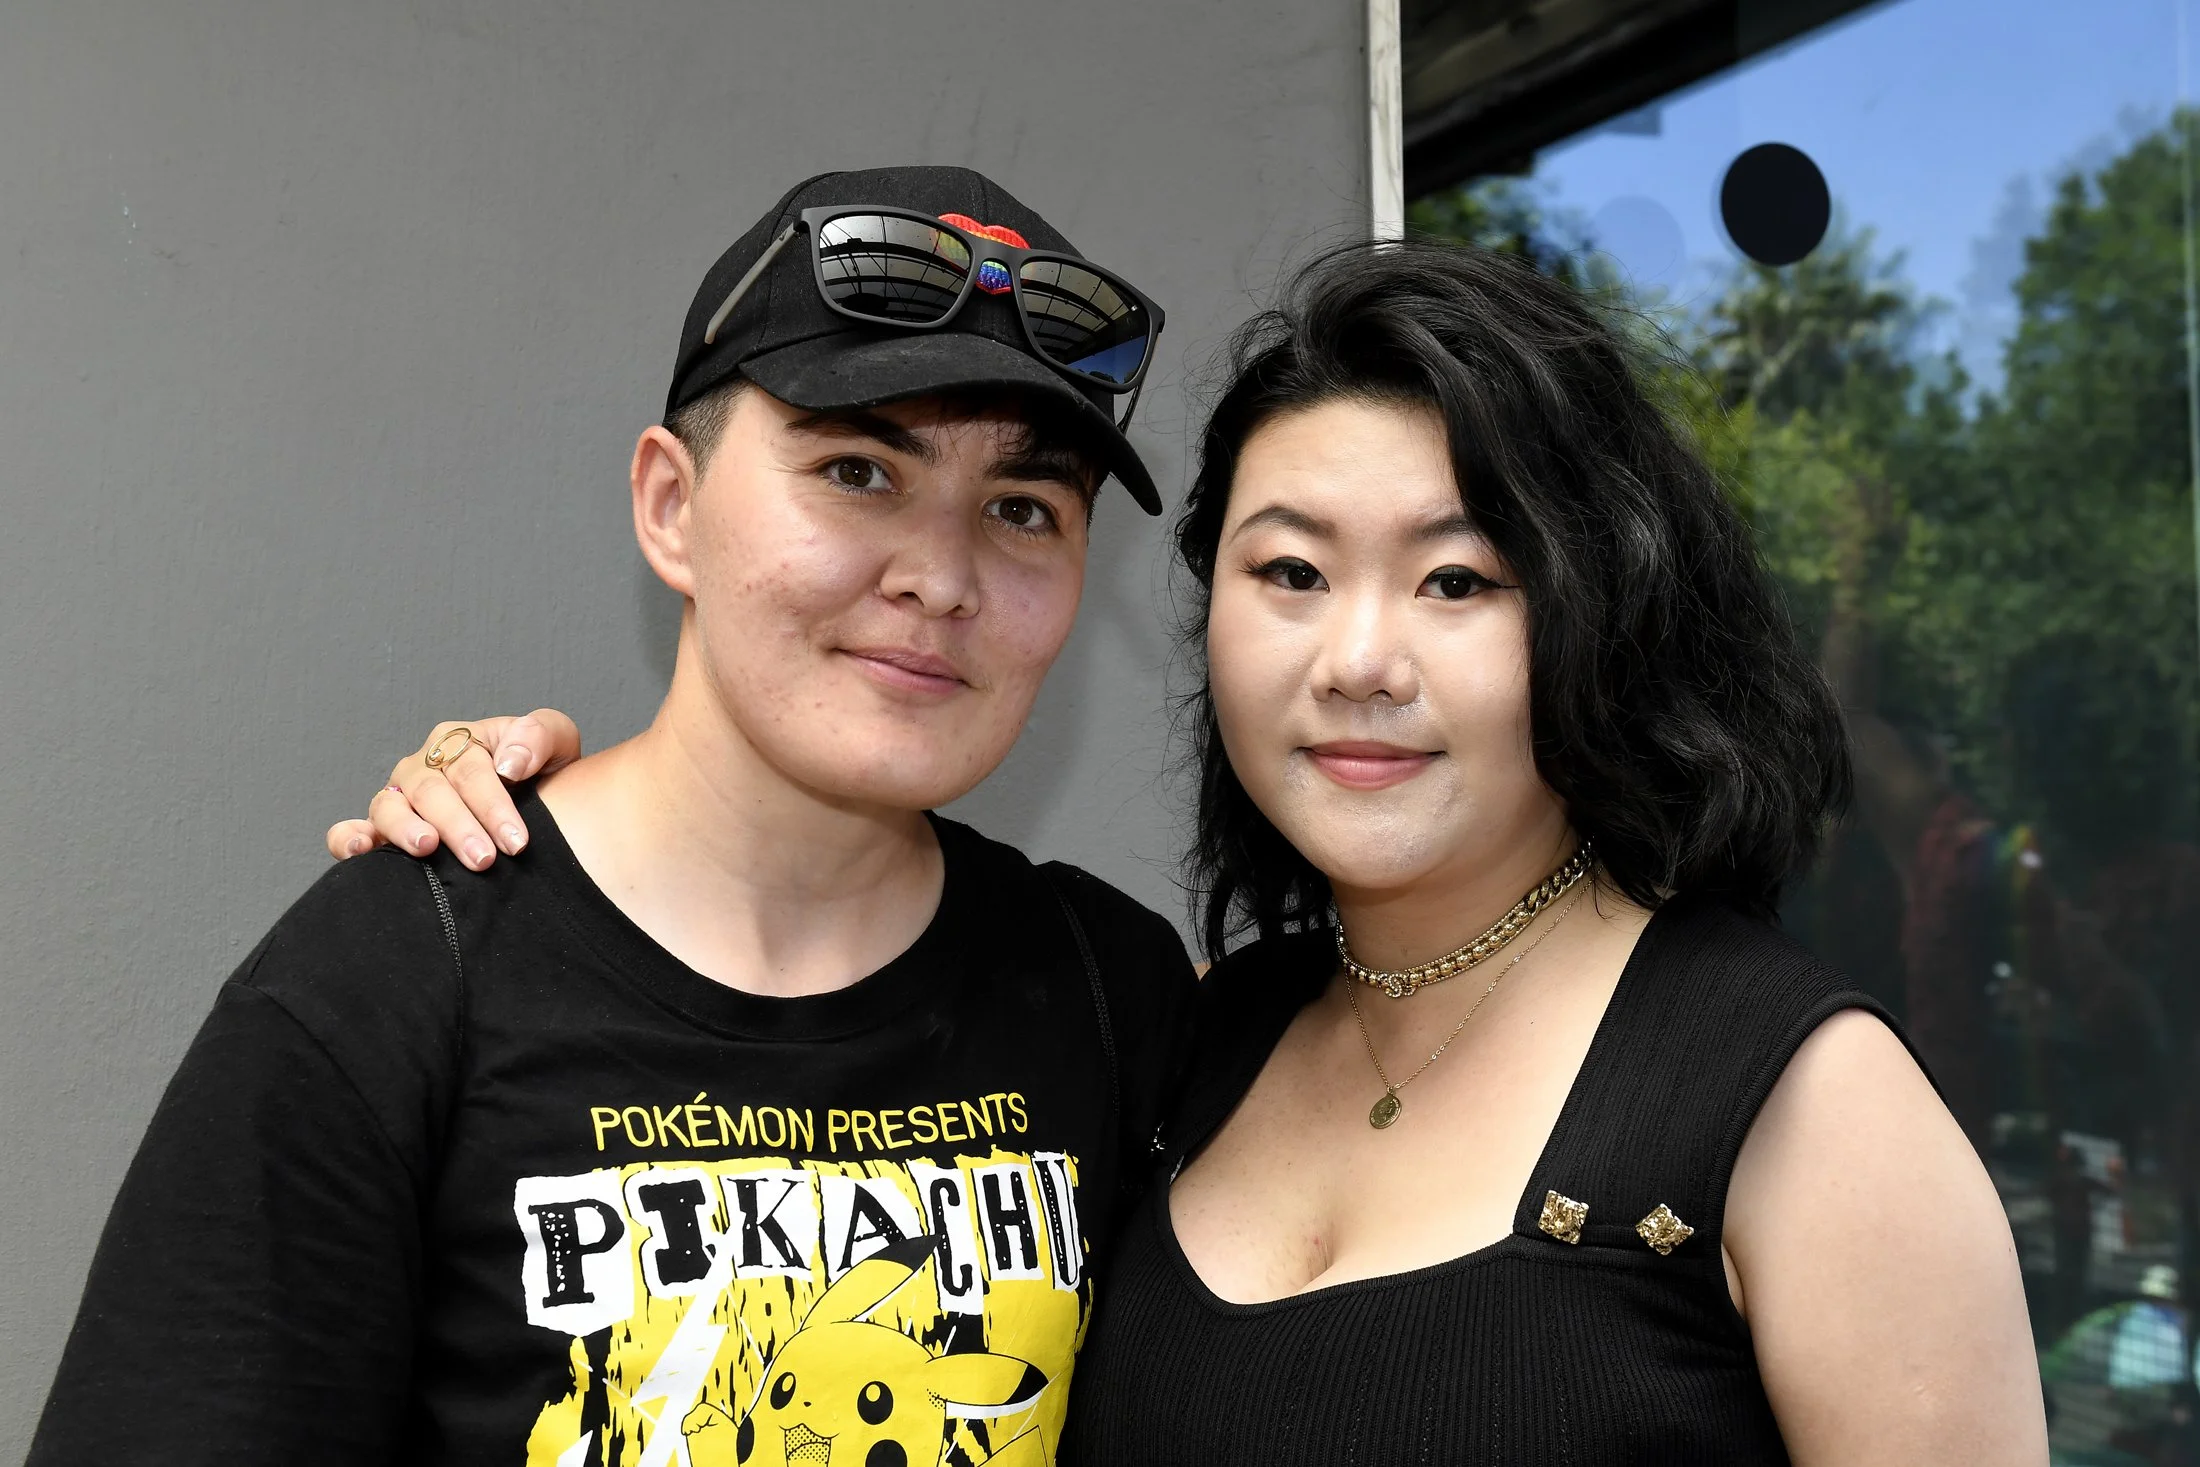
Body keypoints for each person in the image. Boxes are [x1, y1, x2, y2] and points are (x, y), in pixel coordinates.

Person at [363, 240, 2049, 1462]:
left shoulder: (1798, 1099)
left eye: (1459, 579)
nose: (1359, 658)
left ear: (1596, 615)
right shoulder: (1186, 1039)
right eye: (1291, 572)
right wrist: (548, 814)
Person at [28, 166, 1196, 1467]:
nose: (940, 576)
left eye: (1023, 509)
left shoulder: (1112, 992)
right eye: (859, 470)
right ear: (670, 506)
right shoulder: (391, 980)